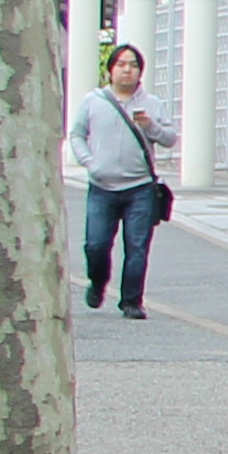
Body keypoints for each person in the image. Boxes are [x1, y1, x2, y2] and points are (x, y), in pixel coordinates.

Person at [69, 42, 175, 319]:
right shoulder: (94, 101)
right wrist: (90, 162)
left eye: (134, 65)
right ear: (110, 70)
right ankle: (98, 282)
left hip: (140, 187)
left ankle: (132, 301)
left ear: (140, 72)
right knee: (96, 244)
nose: (127, 70)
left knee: (137, 246)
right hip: (102, 187)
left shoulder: (151, 104)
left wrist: (150, 125)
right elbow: (77, 134)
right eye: (121, 64)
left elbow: (169, 138)